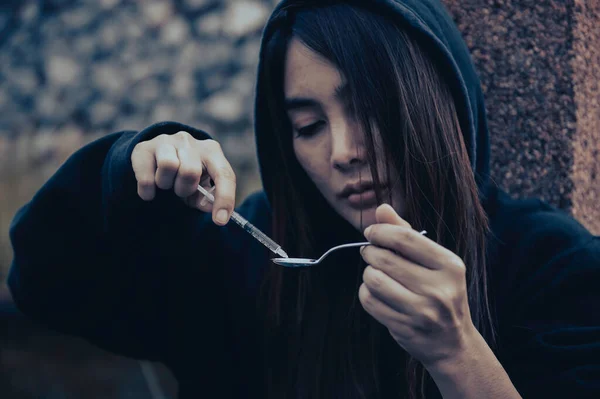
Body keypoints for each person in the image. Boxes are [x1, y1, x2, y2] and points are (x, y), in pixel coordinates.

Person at [7, 0, 600, 398]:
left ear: (433, 97)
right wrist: (123, 174)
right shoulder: (249, 256)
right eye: (309, 126)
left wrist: (457, 353)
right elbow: (44, 287)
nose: (343, 151)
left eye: (368, 107)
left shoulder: (550, 266)